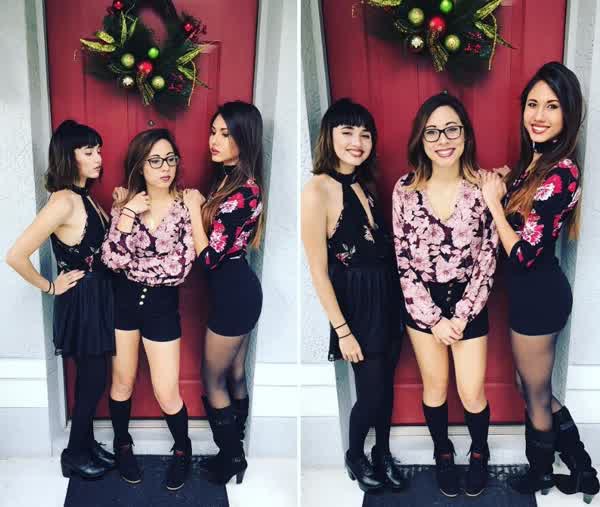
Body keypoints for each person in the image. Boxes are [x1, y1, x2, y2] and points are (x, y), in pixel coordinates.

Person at [480, 61, 598, 502]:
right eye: (533, 104)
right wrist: (503, 184)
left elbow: (524, 254)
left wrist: (495, 205)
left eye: (552, 106)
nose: (539, 114)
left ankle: (541, 474)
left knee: (534, 392)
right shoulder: (536, 161)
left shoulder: (561, 172)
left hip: (539, 296)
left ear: (569, 113)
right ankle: (582, 468)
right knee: (532, 387)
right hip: (531, 294)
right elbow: (525, 218)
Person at [392, 93, 498, 497]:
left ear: (466, 134)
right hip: (423, 306)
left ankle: (480, 451)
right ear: (421, 139)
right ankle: (442, 451)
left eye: (452, 129)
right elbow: (402, 259)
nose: (443, 140)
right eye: (432, 132)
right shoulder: (405, 189)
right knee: (435, 386)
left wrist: (461, 316)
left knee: (471, 391)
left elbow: (489, 256)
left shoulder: (483, 187)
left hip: (469, 301)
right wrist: (435, 319)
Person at [302, 98, 405, 493]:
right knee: (371, 392)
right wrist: (342, 331)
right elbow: (318, 270)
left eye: (365, 134)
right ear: (329, 136)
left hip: (388, 296)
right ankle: (355, 454)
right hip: (357, 306)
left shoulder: (365, 183)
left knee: (387, 385)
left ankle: (383, 451)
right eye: (347, 132)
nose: (357, 142)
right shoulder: (317, 190)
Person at [6, 120, 116, 479]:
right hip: (82, 300)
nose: (98, 158)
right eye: (89, 151)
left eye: (98, 150)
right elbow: (16, 255)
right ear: (69, 156)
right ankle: (73, 455)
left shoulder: (84, 196)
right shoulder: (64, 201)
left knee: (91, 378)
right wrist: (51, 287)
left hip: (97, 296)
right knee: (93, 379)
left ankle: (85, 445)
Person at [101, 128, 196, 491]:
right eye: (155, 161)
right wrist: (127, 214)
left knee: (166, 390)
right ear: (140, 165)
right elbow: (112, 259)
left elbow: (181, 268)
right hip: (124, 303)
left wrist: (136, 263)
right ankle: (122, 444)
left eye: (170, 159)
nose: (165, 167)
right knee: (122, 381)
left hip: (161, 306)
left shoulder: (186, 205)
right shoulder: (126, 204)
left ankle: (182, 449)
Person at [184, 101, 264, 485]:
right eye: (213, 131)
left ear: (244, 139)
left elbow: (210, 259)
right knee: (234, 374)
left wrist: (193, 207)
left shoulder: (244, 193)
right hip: (238, 291)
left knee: (212, 379)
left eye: (225, 134)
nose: (214, 140)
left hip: (234, 296)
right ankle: (238, 450)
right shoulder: (229, 180)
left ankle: (231, 456)